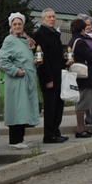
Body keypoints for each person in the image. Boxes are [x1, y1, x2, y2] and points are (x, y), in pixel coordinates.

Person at [0, 12, 40, 150]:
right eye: (14, 24)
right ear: (11, 26)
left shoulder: (24, 39)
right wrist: (15, 71)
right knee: (17, 109)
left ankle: (20, 138)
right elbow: (2, 60)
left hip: (27, 79)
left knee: (23, 109)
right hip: (17, 80)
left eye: (19, 24)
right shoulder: (9, 40)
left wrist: (35, 60)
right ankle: (14, 140)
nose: (17, 26)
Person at [33, 8, 68, 143]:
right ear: (43, 19)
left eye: (53, 17)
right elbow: (42, 59)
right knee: (50, 107)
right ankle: (49, 134)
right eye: (49, 17)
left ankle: (55, 131)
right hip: (49, 77)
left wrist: (66, 61)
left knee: (59, 106)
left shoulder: (54, 34)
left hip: (59, 75)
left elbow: (57, 57)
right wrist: (48, 78)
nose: (52, 19)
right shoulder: (40, 35)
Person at [68, 18, 92, 138]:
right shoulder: (81, 41)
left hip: (77, 75)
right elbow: (89, 55)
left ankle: (83, 128)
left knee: (81, 102)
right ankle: (80, 129)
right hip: (84, 76)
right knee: (82, 103)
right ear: (82, 29)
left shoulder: (72, 40)